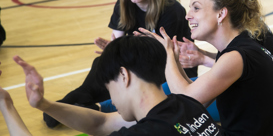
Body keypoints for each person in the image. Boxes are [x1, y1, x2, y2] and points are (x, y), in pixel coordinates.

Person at [43, 0, 197, 128]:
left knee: (130, 76)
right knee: (102, 62)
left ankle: (96, 107)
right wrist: (112, 50)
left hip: (172, 68)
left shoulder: (171, 9)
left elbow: (163, 57)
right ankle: (77, 97)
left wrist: (121, 53)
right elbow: (117, 42)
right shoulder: (124, 3)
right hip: (137, 62)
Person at [139, 0, 273, 135]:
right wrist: (174, 57)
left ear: (221, 14)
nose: (188, 16)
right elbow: (196, 100)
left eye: (196, 8)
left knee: (165, 123)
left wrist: (166, 54)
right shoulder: (238, 49)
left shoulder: (237, 56)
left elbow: (186, 100)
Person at [5, 36, 220, 136]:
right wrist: (44, 104)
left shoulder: (143, 133)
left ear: (123, 75)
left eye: (109, 89)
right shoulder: (187, 105)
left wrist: (6, 104)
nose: (113, 100)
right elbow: (100, 124)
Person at [177, 0, 273, 75]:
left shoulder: (246, 33)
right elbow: (226, 58)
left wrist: (203, 60)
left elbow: (235, 65)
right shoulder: (238, 28)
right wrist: (201, 52)